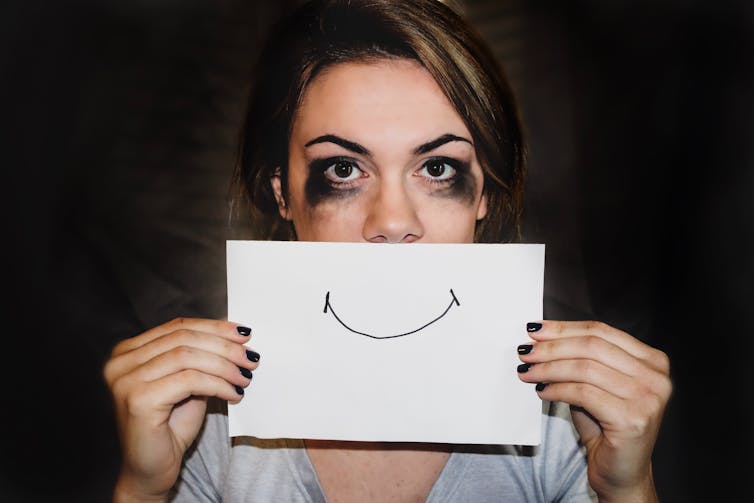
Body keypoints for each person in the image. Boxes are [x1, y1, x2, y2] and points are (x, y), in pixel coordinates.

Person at [103, 1, 672, 501]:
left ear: (484, 196)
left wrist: (626, 490)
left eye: (438, 168)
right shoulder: (206, 421)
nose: (393, 222)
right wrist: (144, 490)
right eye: (344, 169)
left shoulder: (566, 420)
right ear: (283, 193)